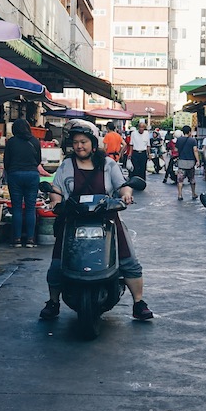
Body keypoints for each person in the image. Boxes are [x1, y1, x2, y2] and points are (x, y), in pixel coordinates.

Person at [40, 119, 154, 322]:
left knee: (129, 262)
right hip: (73, 221)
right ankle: (53, 302)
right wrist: (55, 200)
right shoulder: (67, 165)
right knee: (57, 264)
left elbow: (122, 185)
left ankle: (139, 303)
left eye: (83, 142)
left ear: (93, 144)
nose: (79, 146)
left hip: (107, 220)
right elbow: (56, 189)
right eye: (76, 142)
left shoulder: (108, 164)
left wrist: (126, 195)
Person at [4, 118, 43, 249]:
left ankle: (17, 239)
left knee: (17, 208)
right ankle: (30, 239)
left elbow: (6, 161)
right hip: (32, 175)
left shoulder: (11, 142)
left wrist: (11, 171)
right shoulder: (35, 141)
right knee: (30, 208)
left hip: (15, 175)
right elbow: (38, 160)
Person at [174, 125, 199, 202]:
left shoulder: (179, 140)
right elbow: (195, 150)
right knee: (192, 179)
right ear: (189, 132)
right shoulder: (193, 140)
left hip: (181, 162)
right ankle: (193, 193)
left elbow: (176, 149)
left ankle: (180, 195)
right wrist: (198, 160)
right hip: (191, 162)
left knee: (180, 180)